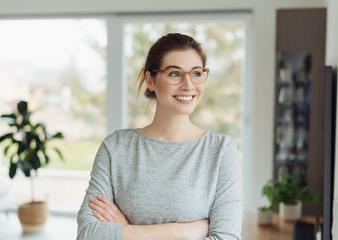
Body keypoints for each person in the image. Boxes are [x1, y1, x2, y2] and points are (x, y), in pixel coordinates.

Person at [77, 33, 242, 240]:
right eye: (175, 74)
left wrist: (125, 232)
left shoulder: (220, 150)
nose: (188, 85)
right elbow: (88, 234)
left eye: (197, 73)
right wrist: (182, 232)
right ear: (150, 80)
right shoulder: (116, 147)